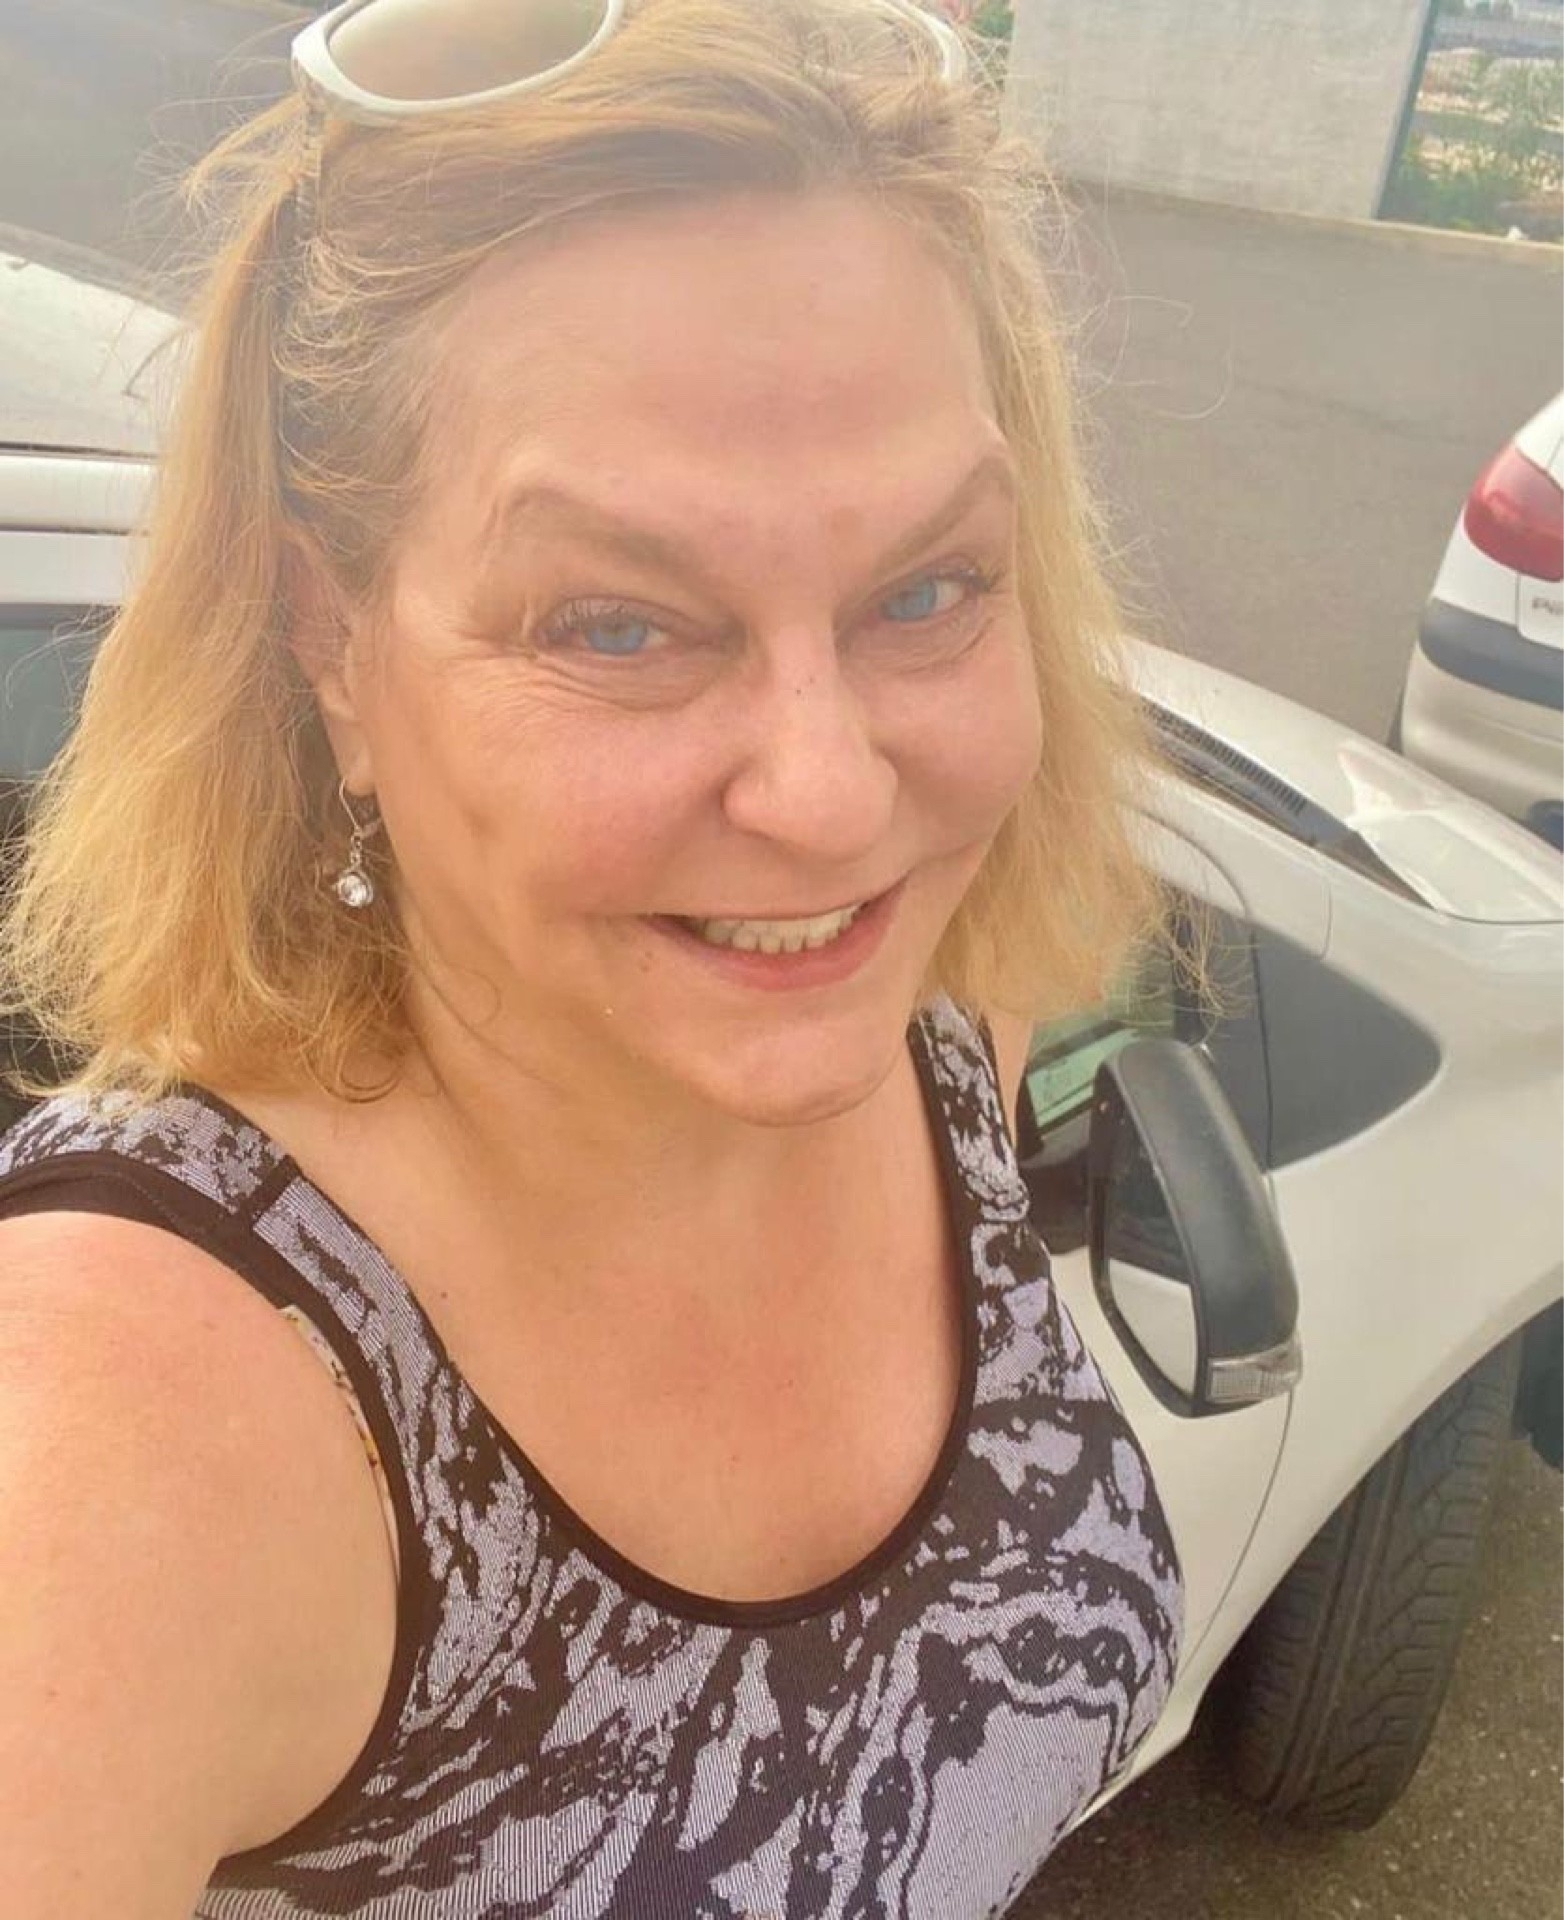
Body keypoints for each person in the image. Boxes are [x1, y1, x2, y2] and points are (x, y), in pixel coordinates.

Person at [0, 1, 1182, 1912]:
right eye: (619, 626)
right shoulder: (112, 1428)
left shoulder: (934, 1020)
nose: (829, 798)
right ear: (326, 641)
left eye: (929, 587)